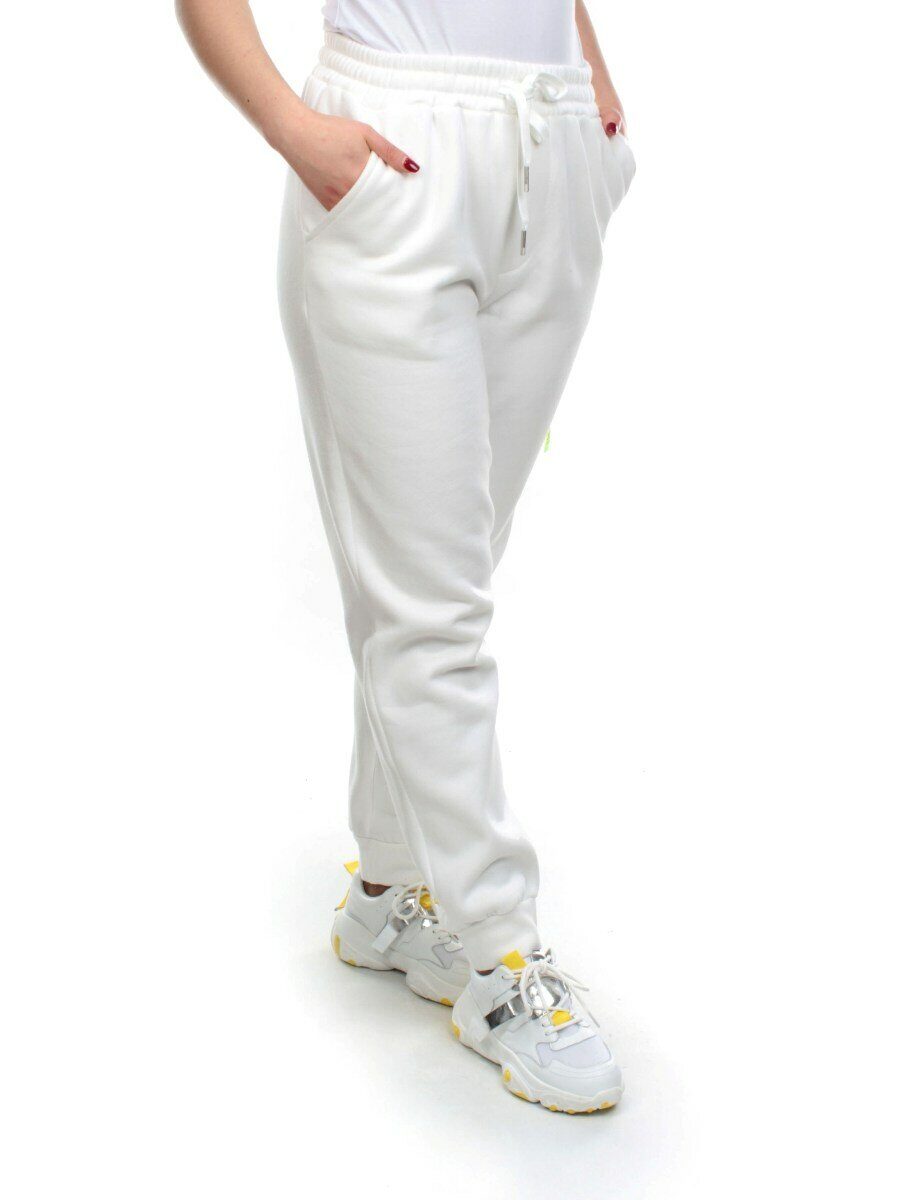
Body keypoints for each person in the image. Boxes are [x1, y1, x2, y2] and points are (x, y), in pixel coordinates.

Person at [177, 0, 635, 1114]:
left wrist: (591, 84)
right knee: (433, 612)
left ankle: (387, 894)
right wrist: (293, 128)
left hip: (553, 142)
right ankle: (499, 953)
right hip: (395, 151)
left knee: (444, 580)